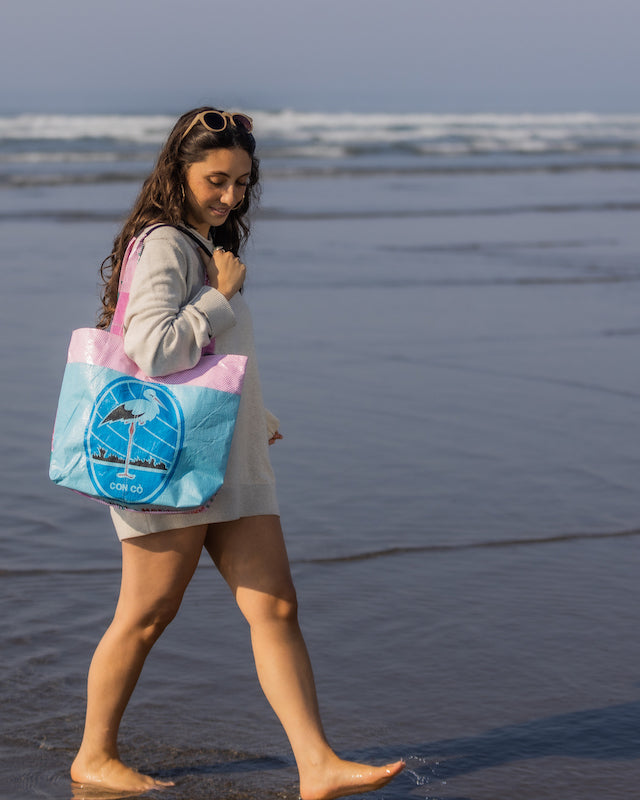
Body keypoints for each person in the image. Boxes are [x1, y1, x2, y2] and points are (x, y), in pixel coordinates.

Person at [70, 107, 405, 800]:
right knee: (145, 615)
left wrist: (256, 416)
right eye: (216, 180)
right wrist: (219, 298)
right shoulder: (166, 244)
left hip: (226, 453)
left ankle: (317, 765)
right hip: (165, 459)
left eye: (242, 182)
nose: (230, 196)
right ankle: (94, 757)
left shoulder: (198, 242)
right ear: (179, 172)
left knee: (275, 608)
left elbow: (212, 359)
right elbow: (154, 350)